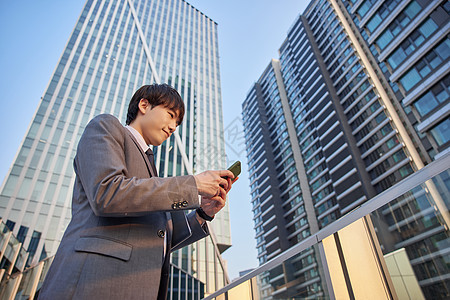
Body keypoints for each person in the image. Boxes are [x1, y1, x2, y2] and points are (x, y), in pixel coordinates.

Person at [38, 84, 235, 299]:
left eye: (177, 123)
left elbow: (160, 237)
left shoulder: (153, 172)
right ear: (144, 105)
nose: (173, 127)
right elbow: (107, 193)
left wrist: (203, 213)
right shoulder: (106, 126)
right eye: (170, 115)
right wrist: (192, 185)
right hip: (92, 284)